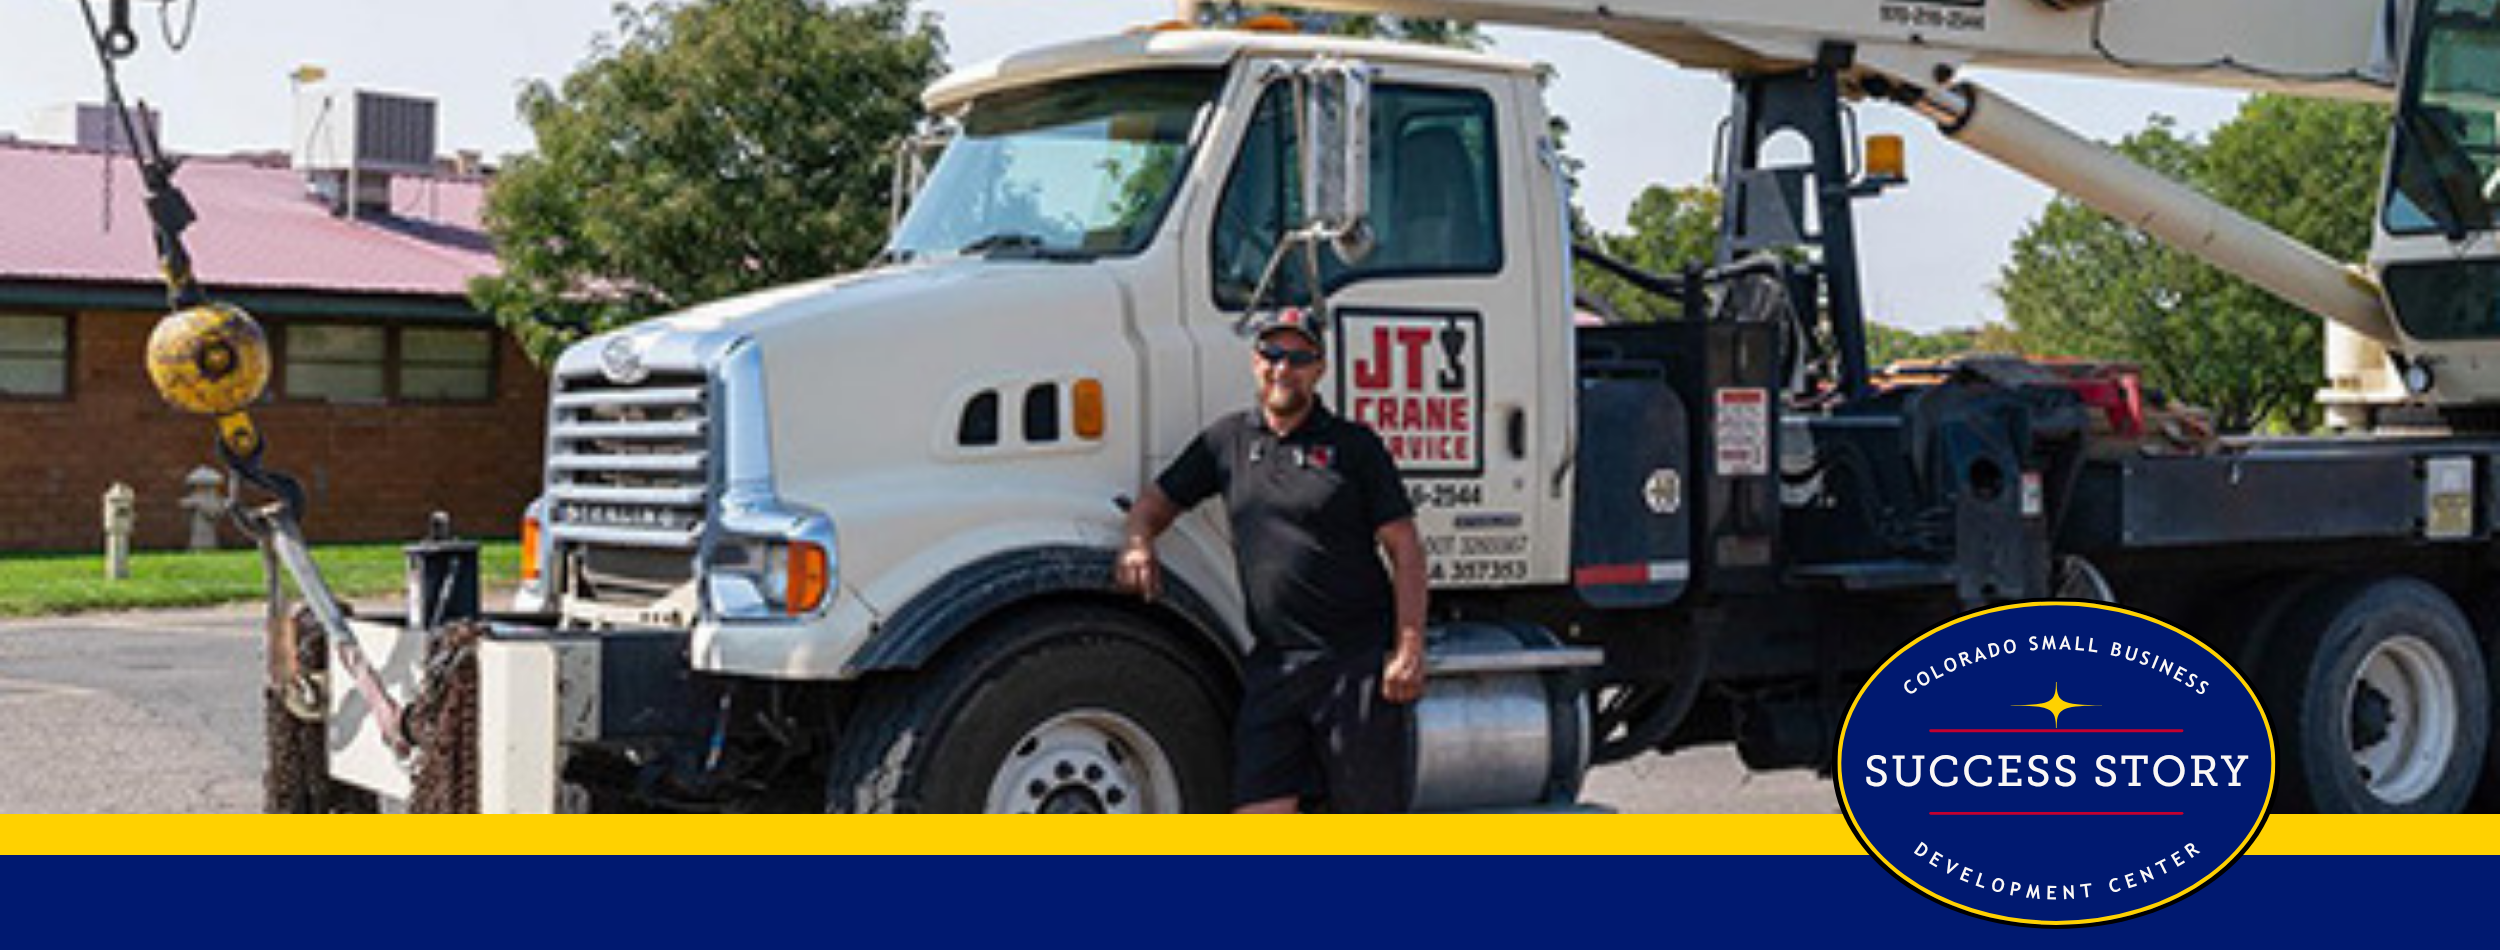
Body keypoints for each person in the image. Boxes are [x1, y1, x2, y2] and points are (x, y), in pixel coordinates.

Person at [1115, 308, 1429, 814]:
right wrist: (1137, 541)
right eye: (1272, 354)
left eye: (1299, 357)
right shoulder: (1228, 442)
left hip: (1355, 667)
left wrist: (1408, 647)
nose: (1283, 368)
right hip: (1274, 667)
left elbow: (1406, 549)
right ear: (1254, 361)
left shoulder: (1355, 447)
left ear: (1320, 367)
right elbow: (1155, 504)